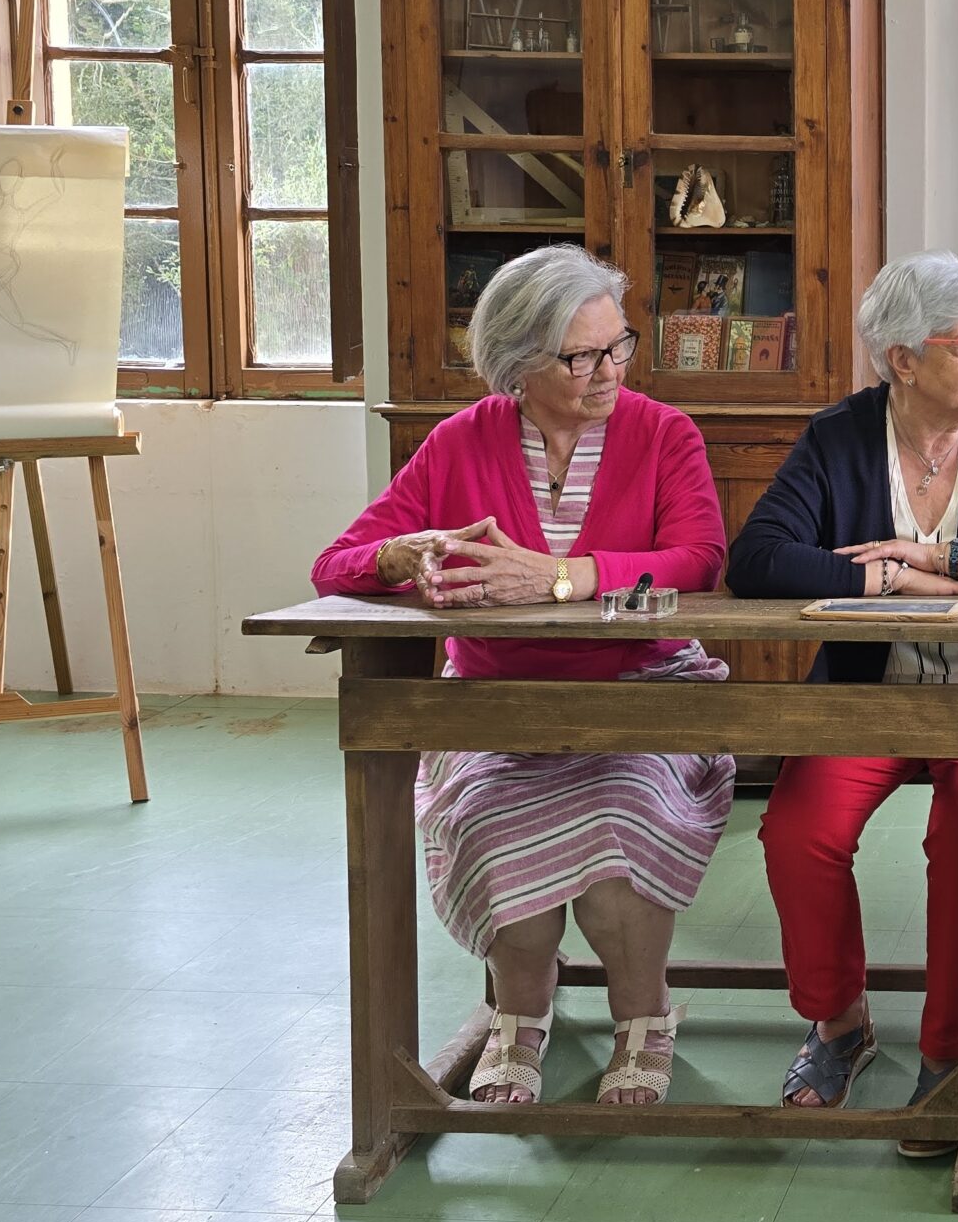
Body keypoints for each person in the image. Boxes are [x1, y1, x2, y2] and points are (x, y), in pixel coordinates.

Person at [312, 245, 732, 1108]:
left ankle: (644, 1018)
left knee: (621, 826)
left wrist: (560, 577)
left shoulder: (664, 434)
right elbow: (335, 563)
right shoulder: (458, 442)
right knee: (493, 824)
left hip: (643, 691)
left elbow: (698, 559)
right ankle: (518, 1019)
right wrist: (404, 554)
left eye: (619, 346)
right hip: (496, 704)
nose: (609, 370)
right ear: (517, 364)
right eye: (582, 357)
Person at [726, 250, 958, 1150]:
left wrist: (939, 559)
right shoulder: (839, 437)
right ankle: (839, 1023)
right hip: (873, 694)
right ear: (901, 360)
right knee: (798, 830)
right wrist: (888, 581)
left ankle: (949, 1052)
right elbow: (758, 560)